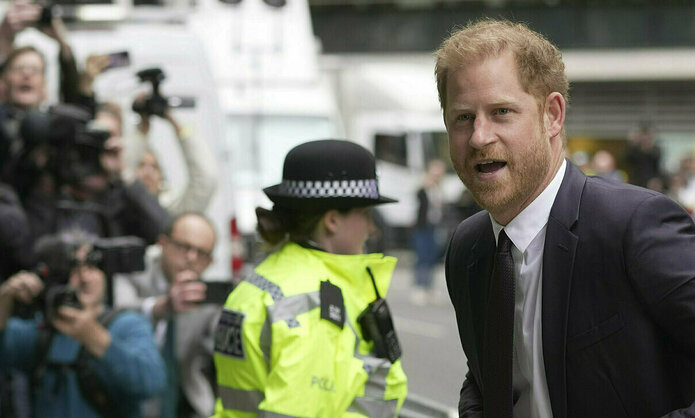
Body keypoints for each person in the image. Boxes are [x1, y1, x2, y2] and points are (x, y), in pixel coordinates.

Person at [436, 19, 695, 417]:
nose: (479, 137)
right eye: (463, 117)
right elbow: (485, 376)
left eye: (501, 112)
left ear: (552, 115)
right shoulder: (469, 248)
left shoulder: (632, 225)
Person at [213, 139, 408, 417]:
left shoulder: (261, 280)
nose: (372, 228)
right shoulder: (318, 303)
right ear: (332, 220)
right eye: (365, 214)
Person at [0, 232, 166, 417]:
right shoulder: (47, 330)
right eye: (75, 269)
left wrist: (93, 336)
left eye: (93, 267)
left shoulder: (127, 324)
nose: (85, 278)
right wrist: (5, 297)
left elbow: (151, 383)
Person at [114, 212, 219, 418]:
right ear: (162, 243)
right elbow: (115, 318)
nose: (191, 258)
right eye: (183, 247)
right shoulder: (133, 276)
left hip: (187, 406)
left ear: (209, 262)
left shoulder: (208, 298)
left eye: (201, 253)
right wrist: (160, 308)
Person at [411, 158, 446, 305]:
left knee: (432, 257)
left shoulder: (439, 190)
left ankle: (429, 287)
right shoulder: (424, 189)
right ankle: (419, 287)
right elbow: (416, 196)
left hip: (435, 226)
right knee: (422, 256)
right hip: (422, 227)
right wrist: (426, 184)